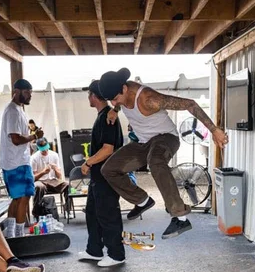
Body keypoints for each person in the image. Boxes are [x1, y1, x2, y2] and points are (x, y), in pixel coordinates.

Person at [98, 68, 228, 239]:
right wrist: (115, 110)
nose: (115, 103)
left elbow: (190, 104)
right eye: (112, 102)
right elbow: (118, 103)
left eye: (116, 100)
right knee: (108, 169)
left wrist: (214, 130)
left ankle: (180, 218)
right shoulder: (120, 96)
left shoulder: (149, 99)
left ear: (124, 89)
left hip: (166, 138)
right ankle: (143, 201)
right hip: (143, 142)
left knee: (156, 162)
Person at [77, 80, 125, 267]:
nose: (88, 98)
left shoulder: (108, 117)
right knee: (92, 213)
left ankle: (116, 254)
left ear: (94, 96)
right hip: (98, 177)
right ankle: (94, 250)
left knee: (108, 214)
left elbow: (107, 150)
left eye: (88, 94)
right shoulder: (103, 115)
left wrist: (88, 163)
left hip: (107, 176)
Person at [0, 79, 42, 236]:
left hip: (15, 161)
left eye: (30, 93)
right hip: (16, 163)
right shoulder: (12, 111)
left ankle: (11, 235)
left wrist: (31, 141)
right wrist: (33, 137)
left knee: (17, 198)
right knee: (24, 197)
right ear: (16, 91)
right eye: (26, 93)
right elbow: (16, 139)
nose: (29, 96)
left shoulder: (18, 109)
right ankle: (19, 235)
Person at [30, 137, 67, 211]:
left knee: (67, 184)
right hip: (41, 181)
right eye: (43, 150)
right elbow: (33, 178)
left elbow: (59, 176)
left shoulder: (54, 155)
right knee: (39, 187)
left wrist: (55, 168)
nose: (45, 151)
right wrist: (43, 172)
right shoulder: (34, 158)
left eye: (46, 148)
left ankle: (68, 209)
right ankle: (36, 210)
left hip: (53, 180)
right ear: (38, 148)